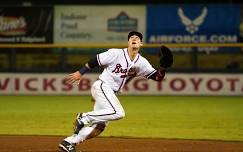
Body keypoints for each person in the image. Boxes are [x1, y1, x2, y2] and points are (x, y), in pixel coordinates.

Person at [58, 31, 168, 152]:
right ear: (128, 42)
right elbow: (95, 60)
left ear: (141, 43)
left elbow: (157, 77)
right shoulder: (116, 53)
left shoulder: (142, 62)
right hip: (102, 86)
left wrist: (163, 67)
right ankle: (84, 117)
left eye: (137, 38)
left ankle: (68, 142)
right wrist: (80, 72)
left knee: (99, 127)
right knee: (119, 113)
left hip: (108, 93)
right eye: (131, 37)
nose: (134, 39)